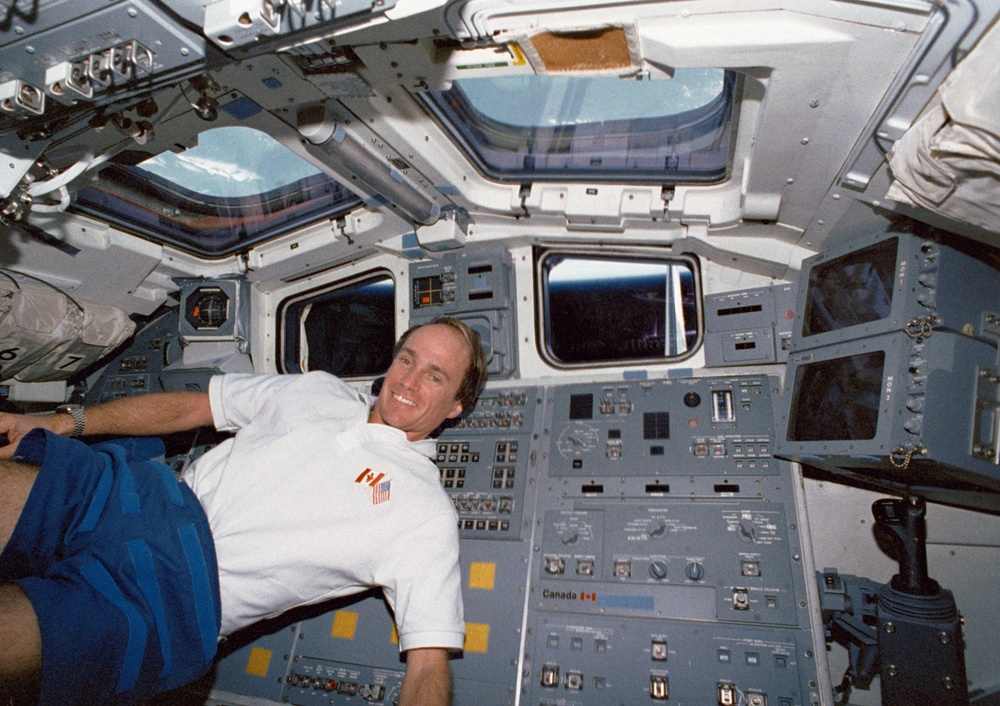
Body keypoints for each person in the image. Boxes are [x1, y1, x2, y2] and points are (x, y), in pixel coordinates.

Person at [0, 317, 488, 706]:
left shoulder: (424, 511)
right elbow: (194, 408)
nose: (409, 380)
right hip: (145, 498)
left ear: (455, 407)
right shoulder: (317, 389)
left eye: (435, 376)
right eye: (408, 359)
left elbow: (428, 662)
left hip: (178, 595)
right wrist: (69, 420)